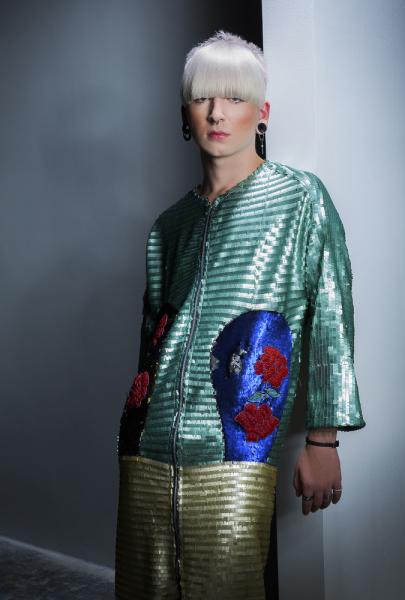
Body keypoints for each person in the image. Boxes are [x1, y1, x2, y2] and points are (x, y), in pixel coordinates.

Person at [114, 29, 366, 600]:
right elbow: (152, 340)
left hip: (234, 448)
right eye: (202, 97)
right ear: (185, 114)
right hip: (146, 442)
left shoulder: (299, 199)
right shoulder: (169, 225)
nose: (217, 112)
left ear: (262, 112)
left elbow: (331, 316)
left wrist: (324, 441)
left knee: (226, 587)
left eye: (234, 96)